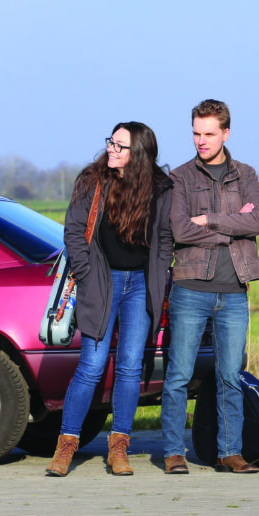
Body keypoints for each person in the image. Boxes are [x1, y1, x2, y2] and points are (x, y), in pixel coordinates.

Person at [47, 122, 173, 477]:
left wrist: (160, 281)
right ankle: (66, 445)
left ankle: (119, 447)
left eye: (120, 146)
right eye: (111, 143)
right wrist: (86, 274)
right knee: (92, 365)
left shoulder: (162, 189)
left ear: (140, 155)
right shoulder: (93, 180)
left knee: (131, 367)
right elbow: (73, 230)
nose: (111, 150)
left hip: (140, 286)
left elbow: (164, 240)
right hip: (103, 283)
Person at [161, 99, 259, 475]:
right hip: (191, 287)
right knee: (178, 374)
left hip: (235, 290)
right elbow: (180, 229)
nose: (200, 141)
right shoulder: (181, 178)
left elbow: (255, 223)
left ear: (226, 133)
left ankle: (230, 452)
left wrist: (208, 220)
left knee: (229, 376)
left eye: (208, 134)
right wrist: (229, 226)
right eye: (195, 133)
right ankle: (174, 451)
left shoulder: (247, 175)